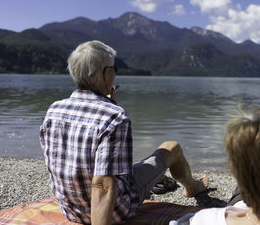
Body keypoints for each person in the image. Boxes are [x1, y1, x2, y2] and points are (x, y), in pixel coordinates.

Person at [39, 40, 208, 225]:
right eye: (114, 69)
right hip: (114, 212)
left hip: (72, 211)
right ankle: (193, 187)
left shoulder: (54, 111)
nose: (114, 74)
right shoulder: (114, 117)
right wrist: (111, 108)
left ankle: (191, 185)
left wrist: (108, 103)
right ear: (106, 74)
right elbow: (102, 185)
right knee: (171, 148)